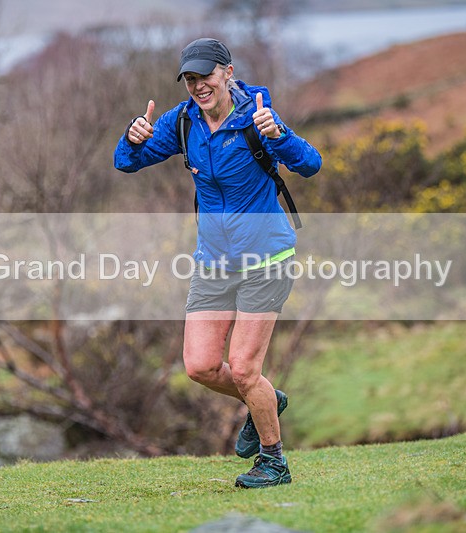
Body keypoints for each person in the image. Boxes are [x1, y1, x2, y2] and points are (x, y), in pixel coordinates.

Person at [114, 37, 321, 488]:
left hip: (267, 259)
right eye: (190, 78)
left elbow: (311, 164)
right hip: (213, 263)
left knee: (244, 369)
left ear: (228, 72)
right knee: (200, 366)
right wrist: (131, 138)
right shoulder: (183, 122)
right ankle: (267, 398)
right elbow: (126, 163)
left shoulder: (256, 116)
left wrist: (278, 136)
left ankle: (274, 462)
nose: (198, 85)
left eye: (205, 75)